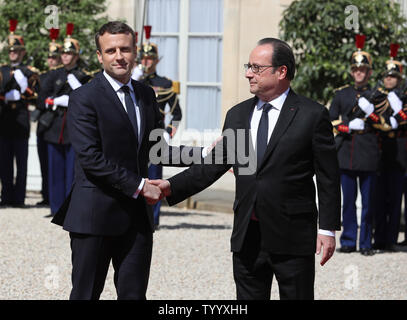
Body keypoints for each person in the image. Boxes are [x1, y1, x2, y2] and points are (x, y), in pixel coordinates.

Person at [151, 38, 341, 300]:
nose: (247, 73)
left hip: (292, 235)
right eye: (247, 66)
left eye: (256, 67)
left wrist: (327, 228)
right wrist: (172, 187)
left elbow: (328, 177)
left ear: (281, 71)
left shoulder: (312, 115)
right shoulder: (237, 115)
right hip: (247, 235)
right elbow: (215, 164)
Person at [51, 21, 201, 300]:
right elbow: (91, 158)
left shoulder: (145, 94)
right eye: (111, 50)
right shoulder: (84, 97)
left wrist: (207, 155)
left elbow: (158, 150)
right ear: (99, 56)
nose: (119, 56)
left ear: (134, 52)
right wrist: (142, 185)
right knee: (85, 295)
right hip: (93, 217)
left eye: (125, 49)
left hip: (136, 220)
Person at [329, 34, 378, 256]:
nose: (359, 73)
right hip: (346, 152)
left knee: (368, 203)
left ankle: (366, 242)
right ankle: (348, 240)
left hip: (368, 151)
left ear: (368, 73)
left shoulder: (376, 95)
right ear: (352, 72)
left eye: (363, 70)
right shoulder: (342, 94)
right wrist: (348, 127)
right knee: (348, 201)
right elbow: (330, 120)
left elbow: (387, 122)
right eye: (356, 69)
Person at [38, 23, 91, 218]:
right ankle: (56, 208)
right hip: (54, 128)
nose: (65, 56)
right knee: (55, 172)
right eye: (64, 53)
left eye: (70, 54)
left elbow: (89, 101)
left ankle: (71, 209)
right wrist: (54, 101)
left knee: (72, 173)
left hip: (73, 130)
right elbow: (41, 99)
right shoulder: (53, 75)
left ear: (76, 56)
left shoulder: (84, 76)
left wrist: (74, 96)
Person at [139, 28, 183, 230]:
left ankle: (153, 218)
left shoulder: (164, 84)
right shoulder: (134, 80)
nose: (146, 62)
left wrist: (168, 132)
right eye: (144, 58)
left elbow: (177, 113)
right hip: (136, 135)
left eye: (150, 59)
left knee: (155, 177)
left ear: (156, 61)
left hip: (156, 136)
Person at [0, 19, 39, 207]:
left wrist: (23, 86)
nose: (13, 54)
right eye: (11, 51)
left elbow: (34, 95)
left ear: (22, 52)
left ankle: (19, 198)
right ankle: (6, 196)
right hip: (5, 118)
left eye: (16, 51)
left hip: (22, 118)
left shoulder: (28, 71)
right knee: (5, 161)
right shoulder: (2, 70)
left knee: (21, 162)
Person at [373, 44, 407, 252]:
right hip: (378, 151)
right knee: (378, 197)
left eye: (393, 77)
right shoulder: (375, 97)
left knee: (395, 198)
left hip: (400, 151)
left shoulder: (403, 98)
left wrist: (394, 116)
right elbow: (372, 118)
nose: (389, 79)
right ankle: (380, 237)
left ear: (399, 79)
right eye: (386, 76)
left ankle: (392, 238)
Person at [34, 28, 63, 206]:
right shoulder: (42, 76)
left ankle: (55, 197)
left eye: (55, 56)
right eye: (50, 57)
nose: (51, 60)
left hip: (57, 123)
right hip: (44, 122)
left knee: (55, 164)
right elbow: (37, 98)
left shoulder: (62, 75)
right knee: (44, 162)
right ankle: (47, 195)